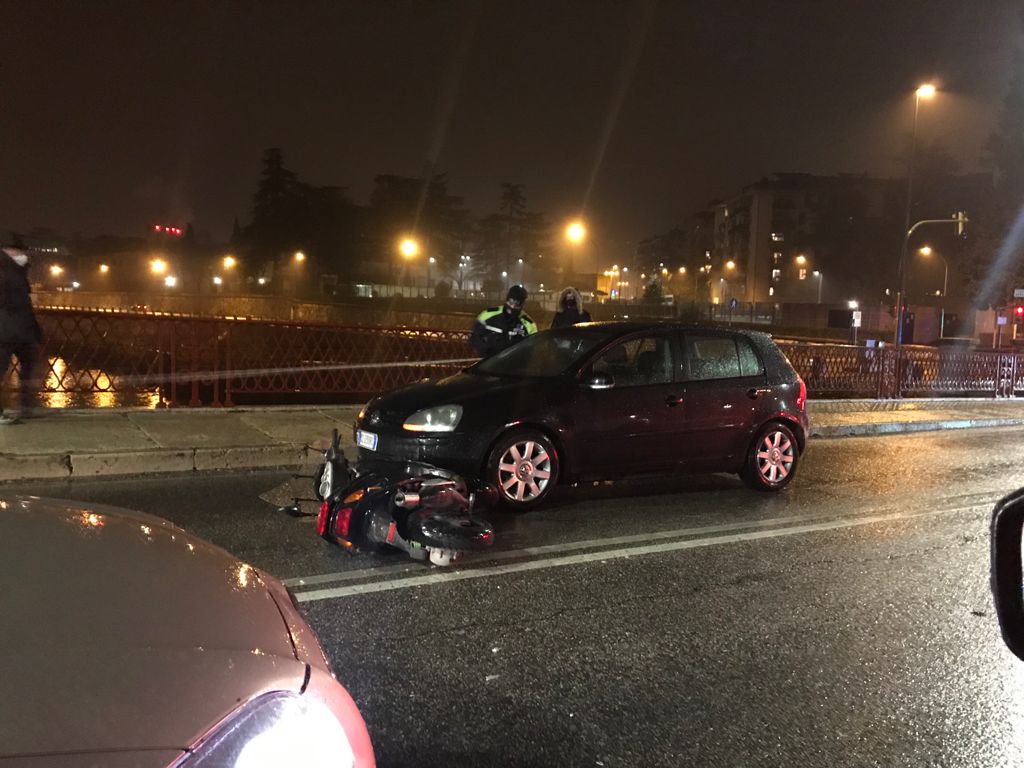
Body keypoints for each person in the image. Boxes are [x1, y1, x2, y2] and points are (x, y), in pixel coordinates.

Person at [0, 245, 43, 424]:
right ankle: (24, 407)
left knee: (28, 368)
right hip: (7, 331)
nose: (22, 255)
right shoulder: (6, 272)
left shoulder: (17, 271)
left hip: (19, 331)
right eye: (17, 252)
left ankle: (26, 406)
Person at [469, 284, 537, 357]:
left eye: (517, 304)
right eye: (511, 302)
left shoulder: (529, 325)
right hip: (488, 363)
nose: (512, 307)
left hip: (514, 365)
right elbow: (475, 337)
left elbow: (532, 349)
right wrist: (486, 351)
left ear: (522, 304)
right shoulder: (488, 315)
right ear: (507, 299)